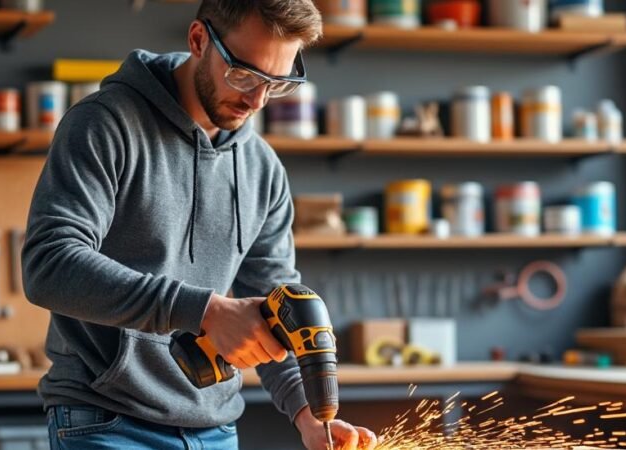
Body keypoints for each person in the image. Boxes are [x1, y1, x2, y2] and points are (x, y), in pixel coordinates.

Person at [22, 1, 377, 449]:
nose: (257, 100)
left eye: (277, 83)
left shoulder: (261, 167)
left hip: (216, 428)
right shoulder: (105, 124)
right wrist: (206, 311)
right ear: (198, 40)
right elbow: (48, 265)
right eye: (245, 75)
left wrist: (309, 414)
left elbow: (277, 305)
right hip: (107, 420)